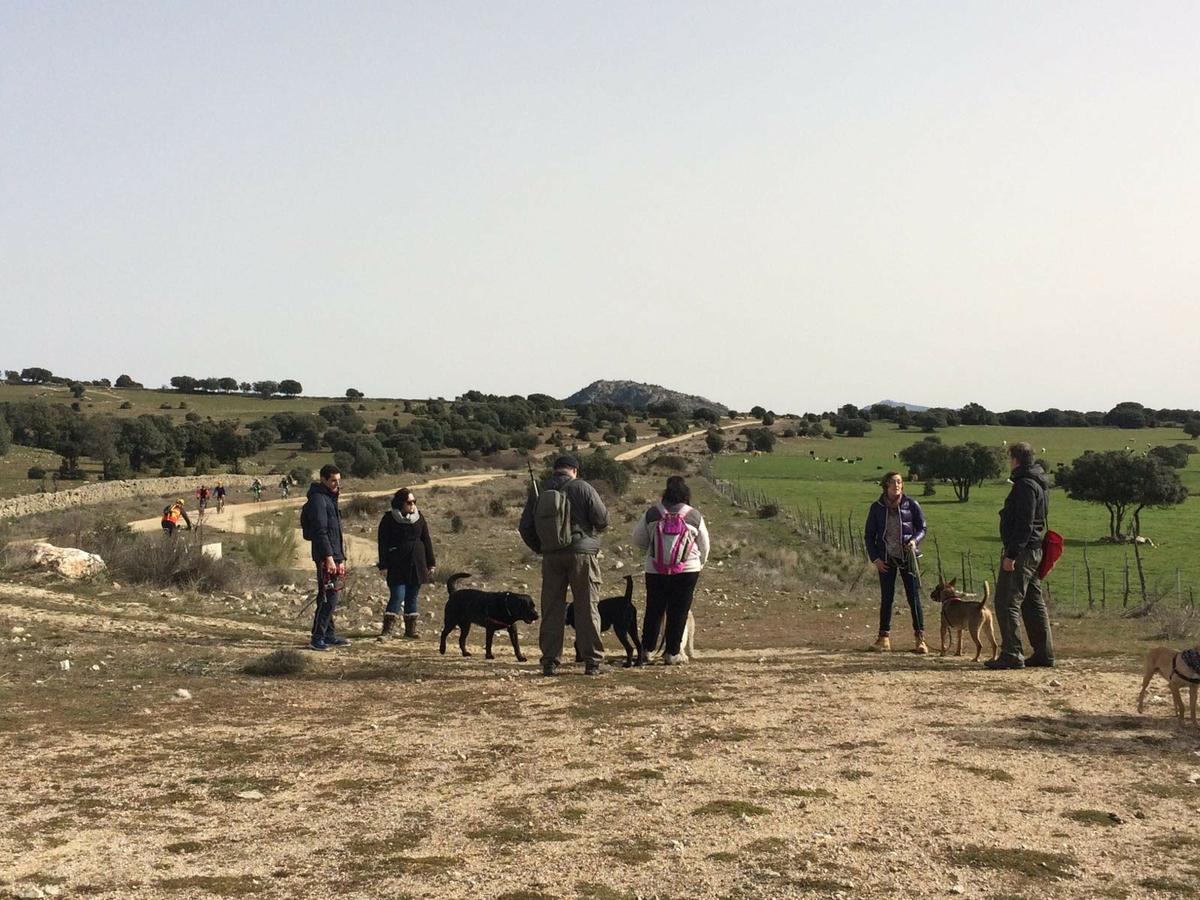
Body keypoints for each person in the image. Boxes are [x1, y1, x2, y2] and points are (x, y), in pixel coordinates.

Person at [519, 455, 609, 676]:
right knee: (586, 607)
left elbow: (525, 527)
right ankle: (592, 662)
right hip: (582, 554)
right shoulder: (583, 488)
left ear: (555, 470)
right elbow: (602, 519)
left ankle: (550, 661)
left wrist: (542, 548)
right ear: (575, 470)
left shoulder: (539, 492)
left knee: (552, 608)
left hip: (551, 557)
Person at [986, 442, 1055, 670]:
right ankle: (1044, 653)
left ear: (1015, 459)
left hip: (1022, 551)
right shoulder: (1039, 482)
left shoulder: (1024, 485)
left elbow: (1024, 523)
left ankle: (1012, 653)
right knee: (1033, 602)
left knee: (1007, 601)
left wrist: (1012, 554)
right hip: (1035, 549)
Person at [632, 475, 710, 665]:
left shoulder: (652, 513)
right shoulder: (694, 515)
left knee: (654, 610)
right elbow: (704, 544)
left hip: (656, 569)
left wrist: (651, 549)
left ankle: (647, 650)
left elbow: (637, 539)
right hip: (687, 570)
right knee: (679, 611)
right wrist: (700, 564)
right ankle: (672, 652)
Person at [863, 472, 928, 654]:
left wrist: (915, 540)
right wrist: (875, 558)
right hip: (886, 558)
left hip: (908, 557)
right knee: (887, 598)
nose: (897, 485)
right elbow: (869, 535)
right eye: (893, 482)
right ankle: (884, 638)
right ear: (886, 486)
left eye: (899, 482)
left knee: (913, 598)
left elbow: (922, 527)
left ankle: (920, 639)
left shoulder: (912, 505)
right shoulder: (876, 508)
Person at [376, 487, 436, 639]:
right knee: (397, 595)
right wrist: (383, 565)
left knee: (412, 595)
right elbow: (382, 543)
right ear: (400, 503)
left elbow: (426, 540)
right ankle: (387, 631)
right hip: (396, 564)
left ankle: (410, 630)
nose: (412, 505)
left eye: (414, 502)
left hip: (417, 562)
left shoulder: (419, 517)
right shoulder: (389, 519)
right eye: (409, 502)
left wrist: (431, 563)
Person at [305, 464, 348, 651]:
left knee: (332, 594)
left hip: (335, 554)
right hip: (325, 556)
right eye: (333, 480)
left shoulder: (330, 498)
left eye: (338, 480)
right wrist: (329, 557)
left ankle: (329, 634)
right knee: (327, 597)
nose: (336, 484)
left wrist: (341, 557)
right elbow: (321, 531)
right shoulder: (318, 500)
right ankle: (317, 637)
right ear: (323, 479)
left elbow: (335, 531)